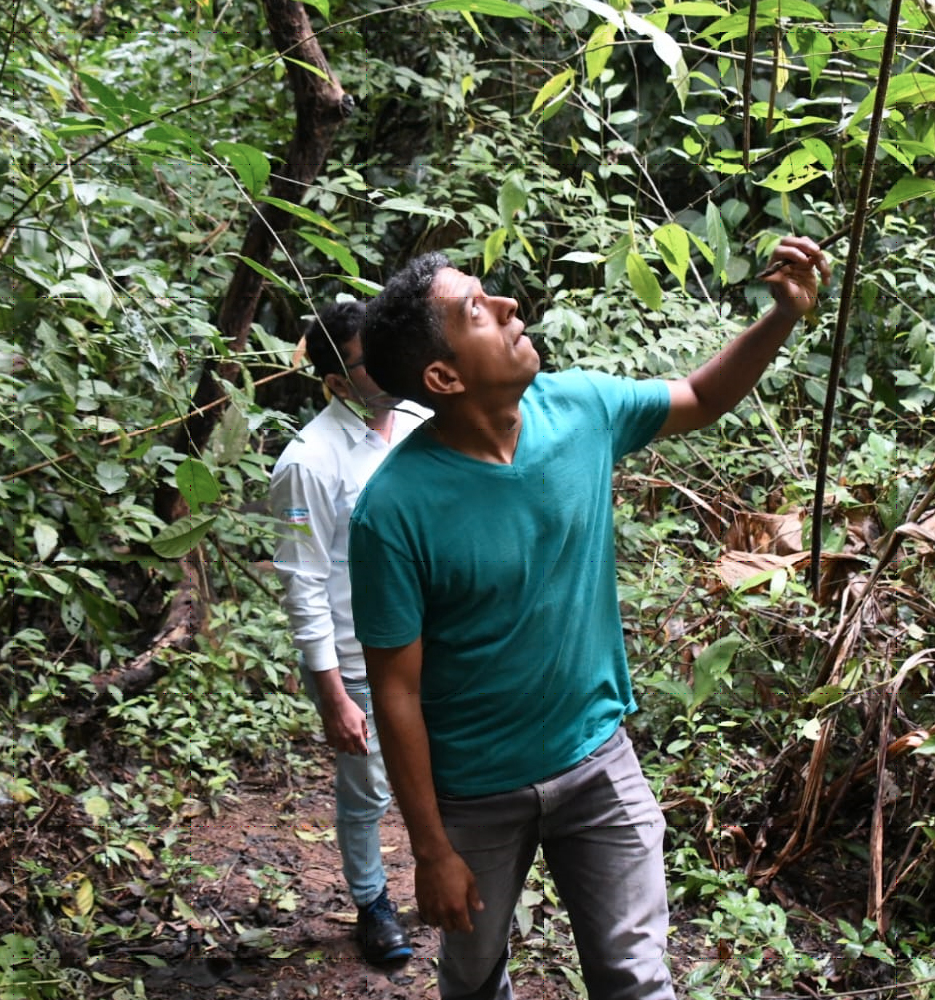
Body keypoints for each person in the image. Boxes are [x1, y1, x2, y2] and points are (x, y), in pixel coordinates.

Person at [346, 235, 831, 999]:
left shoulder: (578, 410)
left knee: (636, 980)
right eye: (478, 309)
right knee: (473, 981)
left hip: (598, 764)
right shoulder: (393, 512)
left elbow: (700, 398)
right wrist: (431, 849)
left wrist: (781, 318)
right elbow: (396, 693)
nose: (508, 306)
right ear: (443, 374)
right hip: (474, 795)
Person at [268, 299, 428, 965]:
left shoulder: (423, 422)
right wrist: (331, 693)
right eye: (374, 358)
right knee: (367, 787)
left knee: (446, 774)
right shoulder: (309, 461)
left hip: (435, 646)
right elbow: (303, 583)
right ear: (337, 382)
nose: (394, 364)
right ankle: (372, 902)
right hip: (360, 659)